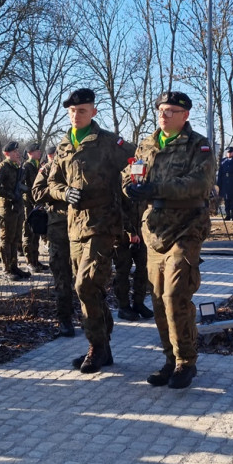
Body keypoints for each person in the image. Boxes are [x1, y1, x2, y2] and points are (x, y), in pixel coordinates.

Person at [123, 90, 215, 389]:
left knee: (176, 296)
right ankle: (169, 359)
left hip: (187, 227)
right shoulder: (147, 144)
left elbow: (198, 184)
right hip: (155, 230)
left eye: (172, 110)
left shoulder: (198, 145)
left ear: (185, 115)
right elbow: (131, 172)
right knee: (159, 300)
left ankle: (186, 361)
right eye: (162, 109)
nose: (164, 114)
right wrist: (130, 187)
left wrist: (154, 189)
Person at [48, 88, 134, 372]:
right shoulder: (63, 145)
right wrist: (64, 193)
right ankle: (104, 348)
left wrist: (131, 199)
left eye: (82, 110)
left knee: (84, 284)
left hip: (103, 224)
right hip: (74, 228)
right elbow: (52, 182)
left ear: (93, 112)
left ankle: (96, 346)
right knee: (90, 289)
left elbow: (137, 163)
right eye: (71, 111)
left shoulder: (109, 142)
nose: (76, 115)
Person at [32, 144, 74, 338]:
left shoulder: (82, 166)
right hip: (58, 227)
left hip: (83, 226)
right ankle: (65, 319)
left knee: (87, 276)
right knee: (62, 275)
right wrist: (60, 192)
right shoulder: (49, 169)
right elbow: (37, 193)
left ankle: (91, 317)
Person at [0, 141, 31, 281]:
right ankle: (6, 269)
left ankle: (14, 266)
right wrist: (11, 195)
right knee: (7, 239)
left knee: (15, 238)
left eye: (17, 151)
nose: (17, 154)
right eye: (14, 152)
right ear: (7, 153)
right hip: (7, 207)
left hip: (17, 207)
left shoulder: (16, 167)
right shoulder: (2, 167)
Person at [113, 193, 153, 320]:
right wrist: (130, 230)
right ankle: (123, 307)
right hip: (122, 234)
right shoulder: (119, 178)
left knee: (143, 268)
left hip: (142, 233)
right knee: (123, 271)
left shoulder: (144, 178)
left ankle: (138, 303)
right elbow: (116, 207)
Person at [22, 143, 47, 274]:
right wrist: (29, 193)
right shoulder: (26, 166)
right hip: (28, 204)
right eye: (37, 151)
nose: (39, 152)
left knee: (36, 233)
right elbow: (21, 185)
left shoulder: (37, 166)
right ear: (30, 153)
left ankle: (35, 260)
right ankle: (29, 262)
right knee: (28, 233)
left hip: (37, 203)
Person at [216, 146, 233, 221]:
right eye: (228, 152)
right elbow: (220, 172)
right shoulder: (223, 161)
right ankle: (227, 214)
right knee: (226, 199)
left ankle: (232, 214)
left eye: (230, 152)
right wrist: (219, 182)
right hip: (225, 181)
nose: (229, 153)